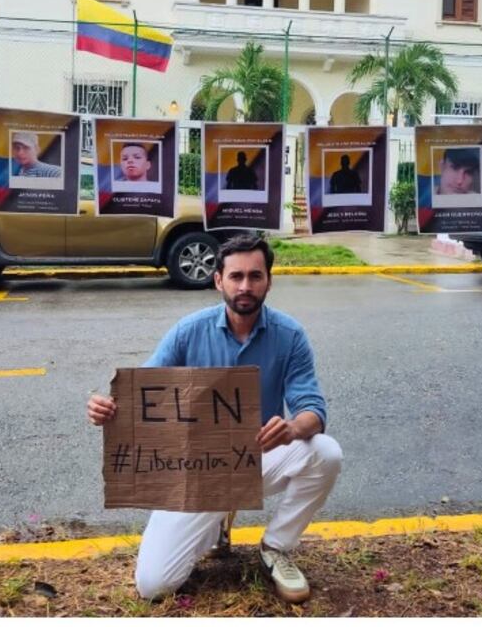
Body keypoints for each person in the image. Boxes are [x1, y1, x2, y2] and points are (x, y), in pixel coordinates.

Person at [87, 235, 341, 605]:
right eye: (236, 276)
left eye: (256, 276)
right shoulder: (189, 330)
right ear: (218, 279)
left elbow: (313, 409)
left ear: (269, 280)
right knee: (153, 585)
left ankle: (275, 548)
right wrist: (108, 408)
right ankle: (216, 523)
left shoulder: (290, 336)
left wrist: (291, 428)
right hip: (196, 470)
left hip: (252, 458)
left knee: (326, 453)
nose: (245, 286)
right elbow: (142, 392)